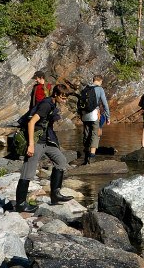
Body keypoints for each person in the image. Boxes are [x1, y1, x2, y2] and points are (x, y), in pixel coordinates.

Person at [15, 84, 71, 212]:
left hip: (47, 141)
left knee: (61, 161)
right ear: (56, 95)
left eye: (66, 98)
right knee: (28, 173)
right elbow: (31, 122)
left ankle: (55, 195)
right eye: (63, 98)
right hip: (36, 142)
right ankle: (20, 204)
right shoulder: (46, 105)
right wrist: (31, 145)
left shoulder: (53, 103)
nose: (64, 100)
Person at [78, 75, 110, 165]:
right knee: (95, 134)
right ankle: (92, 157)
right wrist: (108, 117)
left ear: (93, 80)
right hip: (94, 114)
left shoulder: (86, 88)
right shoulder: (100, 89)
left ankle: (86, 157)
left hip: (85, 115)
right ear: (101, 81)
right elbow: (105, 104)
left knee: (87, 133)